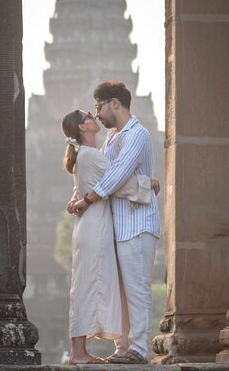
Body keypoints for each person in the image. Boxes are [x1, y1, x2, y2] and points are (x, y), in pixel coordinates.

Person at [71, 81, 161, 365]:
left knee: (137, 288)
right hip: (117, 224)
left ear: (114, 104)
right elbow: (101, 171)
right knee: (122, 292)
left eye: (99, 106)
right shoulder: (111, 137)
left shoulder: (138, 135)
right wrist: (147, 184)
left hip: (137, 221)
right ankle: (124, 347)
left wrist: (88, 198)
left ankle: (139, 348)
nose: (96, 113)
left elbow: (117, 175)